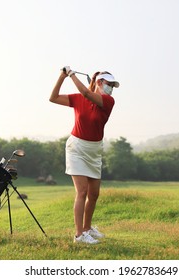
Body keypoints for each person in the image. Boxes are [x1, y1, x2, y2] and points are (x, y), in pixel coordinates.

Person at [49, 66, 120, 244]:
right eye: (109, 84)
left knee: (94, 194)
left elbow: (88, 95)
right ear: (99, 82)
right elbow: (53, 98)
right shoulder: (79, 98)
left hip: (95, 150)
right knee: (82, 191)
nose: (111, 87)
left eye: (113, 85)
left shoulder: (108, 101)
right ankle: (79, 235)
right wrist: (62, 76)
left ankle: (87, 228)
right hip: (77, 148)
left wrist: (72, 75)